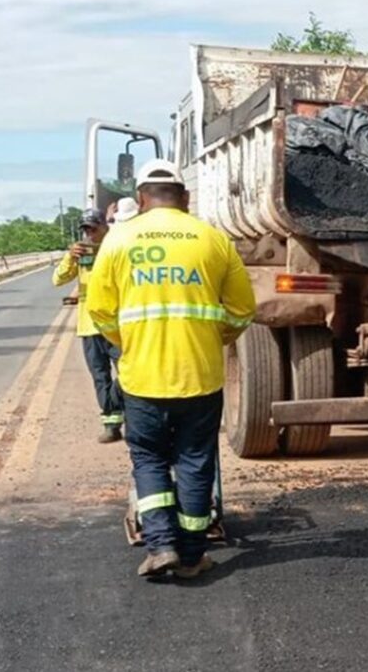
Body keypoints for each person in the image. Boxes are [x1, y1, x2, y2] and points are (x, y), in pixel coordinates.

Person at [87, 159, 256, 579]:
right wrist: (214, 338)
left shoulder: (119, 241)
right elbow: (242, 311)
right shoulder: (214, 240)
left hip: (142, 378)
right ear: (185, 197)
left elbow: (100, 311)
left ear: (142, 198)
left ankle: (161, 546)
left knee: (149, 458)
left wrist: (130, 344)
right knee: (196, 460)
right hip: (199, 375)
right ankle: (193, 554)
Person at [53, 208, 124, 443]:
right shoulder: (80, 254)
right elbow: (59, 279)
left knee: (127, 371)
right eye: (85, 229)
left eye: (93, 228)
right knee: (100, 376)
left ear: (105, 227)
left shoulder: (116, 247)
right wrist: (69, 258)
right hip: (89, 326)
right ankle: (111, 423)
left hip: (116, 325)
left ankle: (126, 412)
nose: (89, 234)